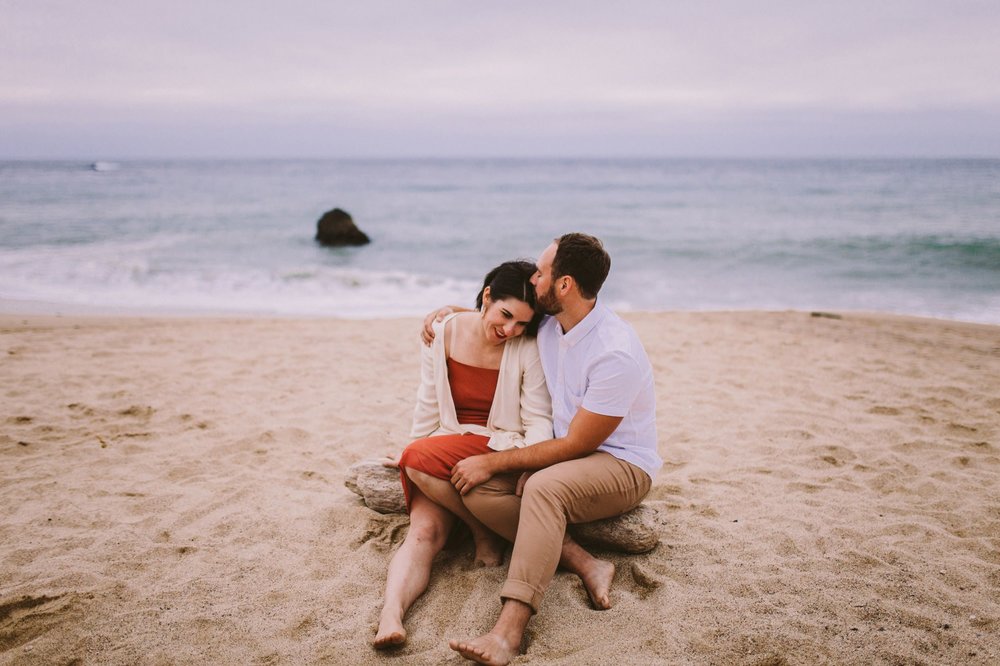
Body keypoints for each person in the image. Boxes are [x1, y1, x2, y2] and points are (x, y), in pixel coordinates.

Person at [424, 233, 661, 666]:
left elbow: (578, 444)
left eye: (541, 272)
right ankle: (587, 562)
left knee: (541, 488)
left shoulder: (614, 353)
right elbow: (503, 317)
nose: (533, 278)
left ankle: (508, 631)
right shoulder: (553, 325)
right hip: (568, 456)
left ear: (564, 284)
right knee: (474, 488)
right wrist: (449, 314)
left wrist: (496, 460)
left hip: (621, 463)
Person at [374, 260, 553, 649]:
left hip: (499, 444)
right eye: (506, 315)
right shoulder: (442, 332)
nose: (510, 330)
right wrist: (416, 449)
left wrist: (532, 466)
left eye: (522, 323)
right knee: (424, 532)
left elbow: (538, 421)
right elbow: (428, 401)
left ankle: (480, 531)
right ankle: (391, 613)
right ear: (486, 297)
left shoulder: (528, 347)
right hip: (447, 443)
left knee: (417, 458)